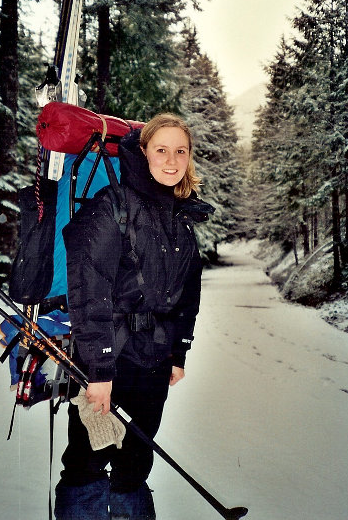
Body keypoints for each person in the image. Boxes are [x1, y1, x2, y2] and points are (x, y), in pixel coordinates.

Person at [54, 113, 214, 520]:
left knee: (136, 459)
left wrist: (178, 352)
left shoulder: (181, 218)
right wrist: (99, 370)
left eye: (181, 150)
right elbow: (89, 291)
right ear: (143, 154)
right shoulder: (113, 207)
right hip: (112, 358)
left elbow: (186, 294)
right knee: (87, 459)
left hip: (154, 361)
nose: (171, 159)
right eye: (161, 149)